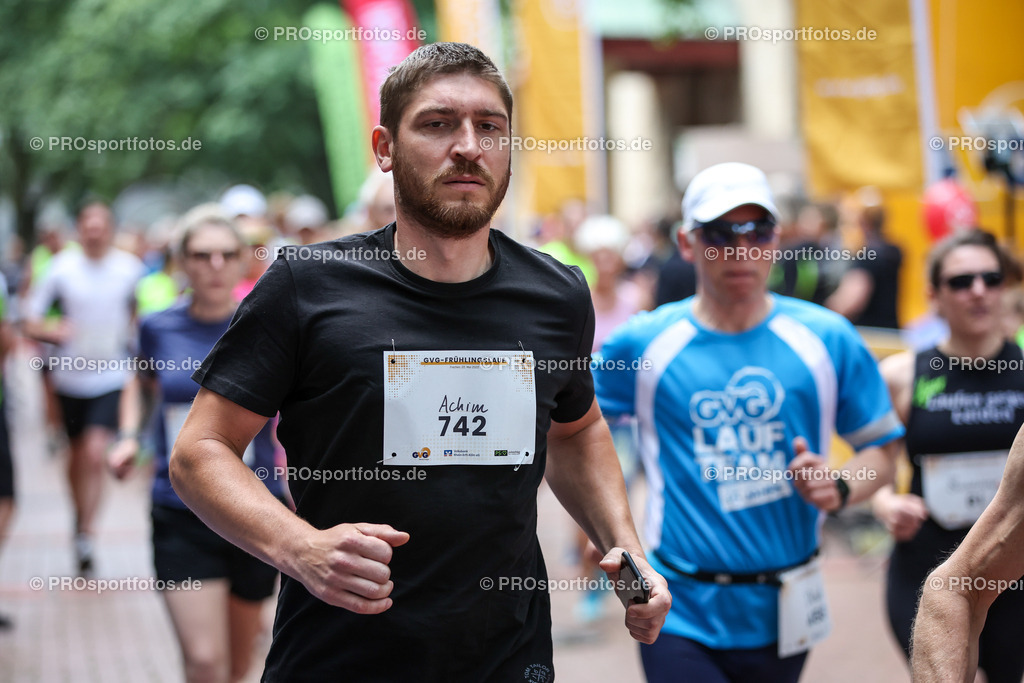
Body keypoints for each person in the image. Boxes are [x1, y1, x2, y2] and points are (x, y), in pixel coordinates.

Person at [169, 42, 670, 682]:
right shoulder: (308, 285)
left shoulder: (555, 294)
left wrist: (626, 552)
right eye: (437, 124)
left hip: (507, 654)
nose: (468, 145)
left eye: (489, 126)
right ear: (384, 147)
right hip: (342, 655)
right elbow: (199, 451)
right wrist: (301, 548)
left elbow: (576, 432)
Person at [594, 162, 904, 683]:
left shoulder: (826, 339)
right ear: (687, 244)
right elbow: (569, 430)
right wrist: (611, 538)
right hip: (679, 606)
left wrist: (842, 488)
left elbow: (882, 451)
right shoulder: (644, 344)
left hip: (786, 606)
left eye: (756, 232)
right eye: (719, 235)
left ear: (776, 240)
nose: (740, 251)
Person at [107, 205, 284, 682]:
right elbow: (139, 383)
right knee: (205, 660)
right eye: (201, 255)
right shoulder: (157, 326)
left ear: (243, 260)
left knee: (240, 663)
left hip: (254, 507)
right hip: (179, 506)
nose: (215, 265)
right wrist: (127, 438)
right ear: (180, 261)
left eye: (227, 254)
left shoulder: (268, 325)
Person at [872, 230, 1024, 682]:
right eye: (961, 281)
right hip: (927, 569)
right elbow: (875, 467)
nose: (978, 291)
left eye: (990, 278)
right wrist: (885, 505)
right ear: (934, 296)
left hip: (1012, 571)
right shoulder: (903, 375)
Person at [24, 201, 145, 574]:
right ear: (79, 230)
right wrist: (51, 330)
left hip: (112, 375)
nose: (94, 231)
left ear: (110, 229)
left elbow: (144, 314)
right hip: (69, 376)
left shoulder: (129, 269)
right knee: (76, 455)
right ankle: (80, 520)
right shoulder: (61, 268)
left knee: (95, 452)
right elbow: (29, 319)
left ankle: (88, 532)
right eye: (87, 225)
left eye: (100, 225)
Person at [825, 191, 903, 329]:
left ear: (862, 222)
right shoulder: (894, 250)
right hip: (891, 332)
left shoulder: (868, 256)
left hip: (870, 335)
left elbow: (848, 302)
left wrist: (822, 312)